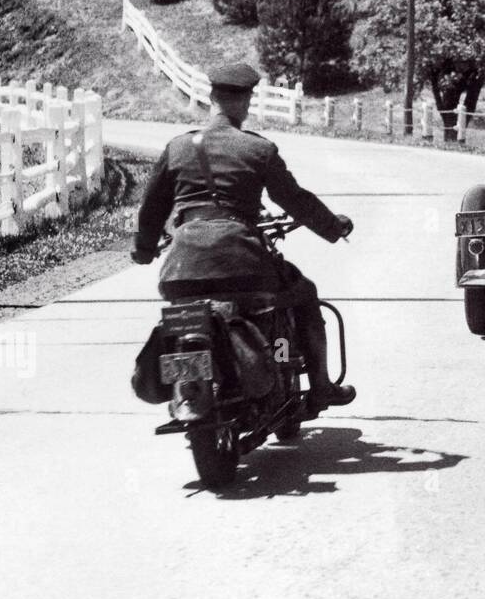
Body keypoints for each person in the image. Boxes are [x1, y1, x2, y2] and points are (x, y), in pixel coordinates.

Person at [131, 62, 355, 415]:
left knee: (183, 316)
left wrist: (143, 251)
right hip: (243, 267)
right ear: (246, 101)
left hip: (180, 273)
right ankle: (318, 386)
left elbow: (151, 209)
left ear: (211, 97)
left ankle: (188, 386)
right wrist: (333, 227)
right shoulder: (258, 150)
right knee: (300, 296)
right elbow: (295, 200)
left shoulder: (176, 148)